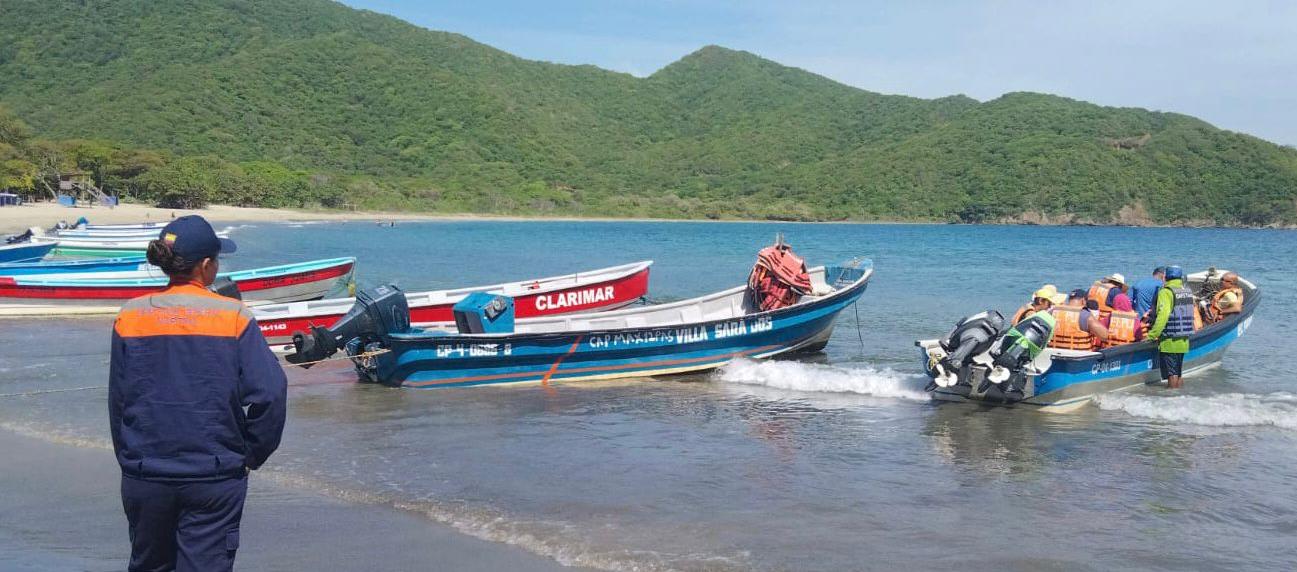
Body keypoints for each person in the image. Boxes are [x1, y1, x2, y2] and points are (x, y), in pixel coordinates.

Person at [109, 215, 287, 572]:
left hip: (145, 473)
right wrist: (251, 454)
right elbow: (270, 394)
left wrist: (130, 458)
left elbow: (119, 401)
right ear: (206, 266)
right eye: (217, 261)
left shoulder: (130, 316)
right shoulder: (233, 315)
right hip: (214, 476)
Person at [1146, 265, 1195, 389]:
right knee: (1178, 373)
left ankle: (1171, 398)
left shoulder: (1166, 292)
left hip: (1169, 340)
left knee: (1171, 373)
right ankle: (1179, 397)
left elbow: (1163, 315)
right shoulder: (1186, 292)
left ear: (1165, 277)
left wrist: (1152, 335)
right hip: (1184, 339)